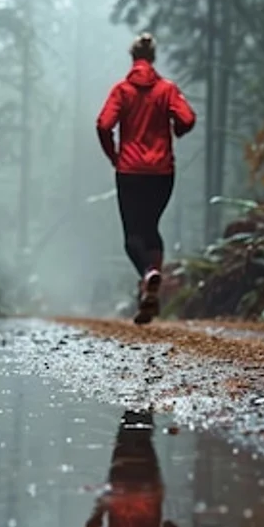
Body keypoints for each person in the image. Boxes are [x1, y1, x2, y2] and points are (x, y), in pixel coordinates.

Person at [96, 33, 196, 325]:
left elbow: (103, 125)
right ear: (153, 59)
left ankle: (149, 275)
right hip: (163, 173)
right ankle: (148, 296)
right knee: (151, 228)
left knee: (132, 238)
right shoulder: (167, 90)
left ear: (133, 59)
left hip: (130, 172)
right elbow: (187, 118)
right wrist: (176, 131)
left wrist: (114, 155)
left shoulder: (122, 91)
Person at [83, 409, 186, 527]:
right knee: (126, 441)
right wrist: (101, 508)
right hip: (120, 489)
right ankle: (137, 402)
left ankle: (144, 403)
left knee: (144, 443)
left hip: (148, 491)